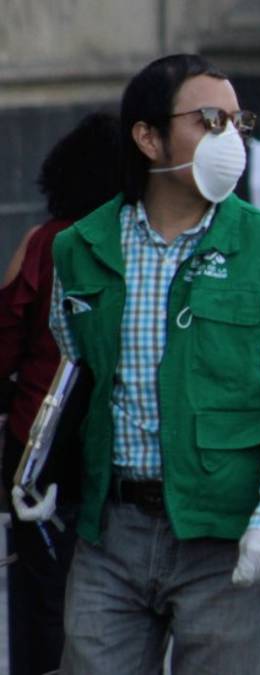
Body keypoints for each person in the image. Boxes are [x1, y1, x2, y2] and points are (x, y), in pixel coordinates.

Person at [41, 54, 260, 674]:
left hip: (224, 534)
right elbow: (73, 371)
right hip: (110, 533)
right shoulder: (80, 247)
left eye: (237, 122)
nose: (231, 139)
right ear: (148, 138)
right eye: (209, 121)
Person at [0, 112, 121, 675]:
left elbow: (4, 342)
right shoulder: (137, 247)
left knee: (41, 595)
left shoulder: (43, 243)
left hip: (40, 443)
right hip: (117, 440)